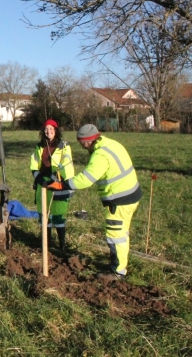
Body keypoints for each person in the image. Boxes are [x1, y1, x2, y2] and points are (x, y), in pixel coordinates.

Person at [45, 124, 142, 280]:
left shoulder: (100, 155)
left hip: (120, 200)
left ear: (87, 141)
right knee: (121, 234)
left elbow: (86, 179)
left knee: (115, 236)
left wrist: (62, 184)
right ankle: (119, 265)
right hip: (131, 194)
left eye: (82, 144)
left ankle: (117, 272)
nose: (83, 148)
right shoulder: (111, 144)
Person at [30, 119, 74, 251]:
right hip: (42, 184)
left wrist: (54, 179)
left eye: (51, 129)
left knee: (58, 214)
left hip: (58, 184)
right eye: (46, 129)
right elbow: (34, 165)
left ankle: (62, 246)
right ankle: (46, 245)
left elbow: (66, 165)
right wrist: (40, 180)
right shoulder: (39, 147)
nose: (48, 131)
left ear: (56, 131)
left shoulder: (64, 146)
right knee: (44, 215)